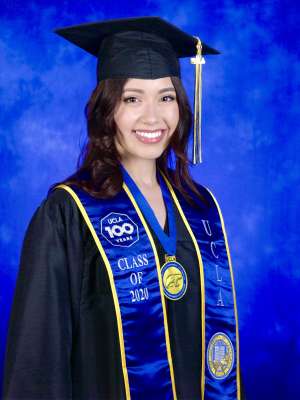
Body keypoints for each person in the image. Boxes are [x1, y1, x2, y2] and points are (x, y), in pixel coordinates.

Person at [2, 16, 244, 400]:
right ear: (106, 110)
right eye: (133, 98)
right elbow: (38, 363)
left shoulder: (200, 208)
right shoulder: (68, 215)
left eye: (166, 97)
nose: (153, 117)